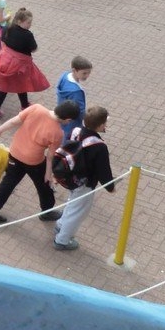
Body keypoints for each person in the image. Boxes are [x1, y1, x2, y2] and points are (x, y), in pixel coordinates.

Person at [0, 99, 81, 223]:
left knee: (9, 182)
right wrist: (48, 174)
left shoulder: (36, 108)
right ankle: (46, 211)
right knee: (44, 187)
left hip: (15, 152)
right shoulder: (58, 133)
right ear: (68, 120)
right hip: (34, 161)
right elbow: (50, 156)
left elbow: (14, 121)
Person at [53, 106, 116, 251]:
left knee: (72, 204)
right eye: (105, 123)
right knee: (78, 212)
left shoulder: (76, 131)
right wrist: (110, 187)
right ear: (100, 125)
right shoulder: (99, 146)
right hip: (85, 183)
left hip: (71, 177)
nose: (106, 125)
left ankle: (61, 225)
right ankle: (62, 240)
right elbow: (103, 171)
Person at [0, 7, 48, 117]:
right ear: (19, 21)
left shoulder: (7, 28)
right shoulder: (27, 35)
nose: (30, 25)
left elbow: (3, 41)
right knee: (21, 84)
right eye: (28, 22)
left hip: (6, 63)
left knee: (3, 87)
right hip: (20, 66)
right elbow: (34, 49)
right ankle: (24, 106)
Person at [55, 56, 92, 139]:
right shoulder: (76, 92)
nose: (87, 75)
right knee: (70, 138)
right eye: (84, 73)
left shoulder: (65, 76)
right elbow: (80, 110)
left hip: (63, 115)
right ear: (74, 70)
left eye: (89, 72)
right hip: (73, 122)